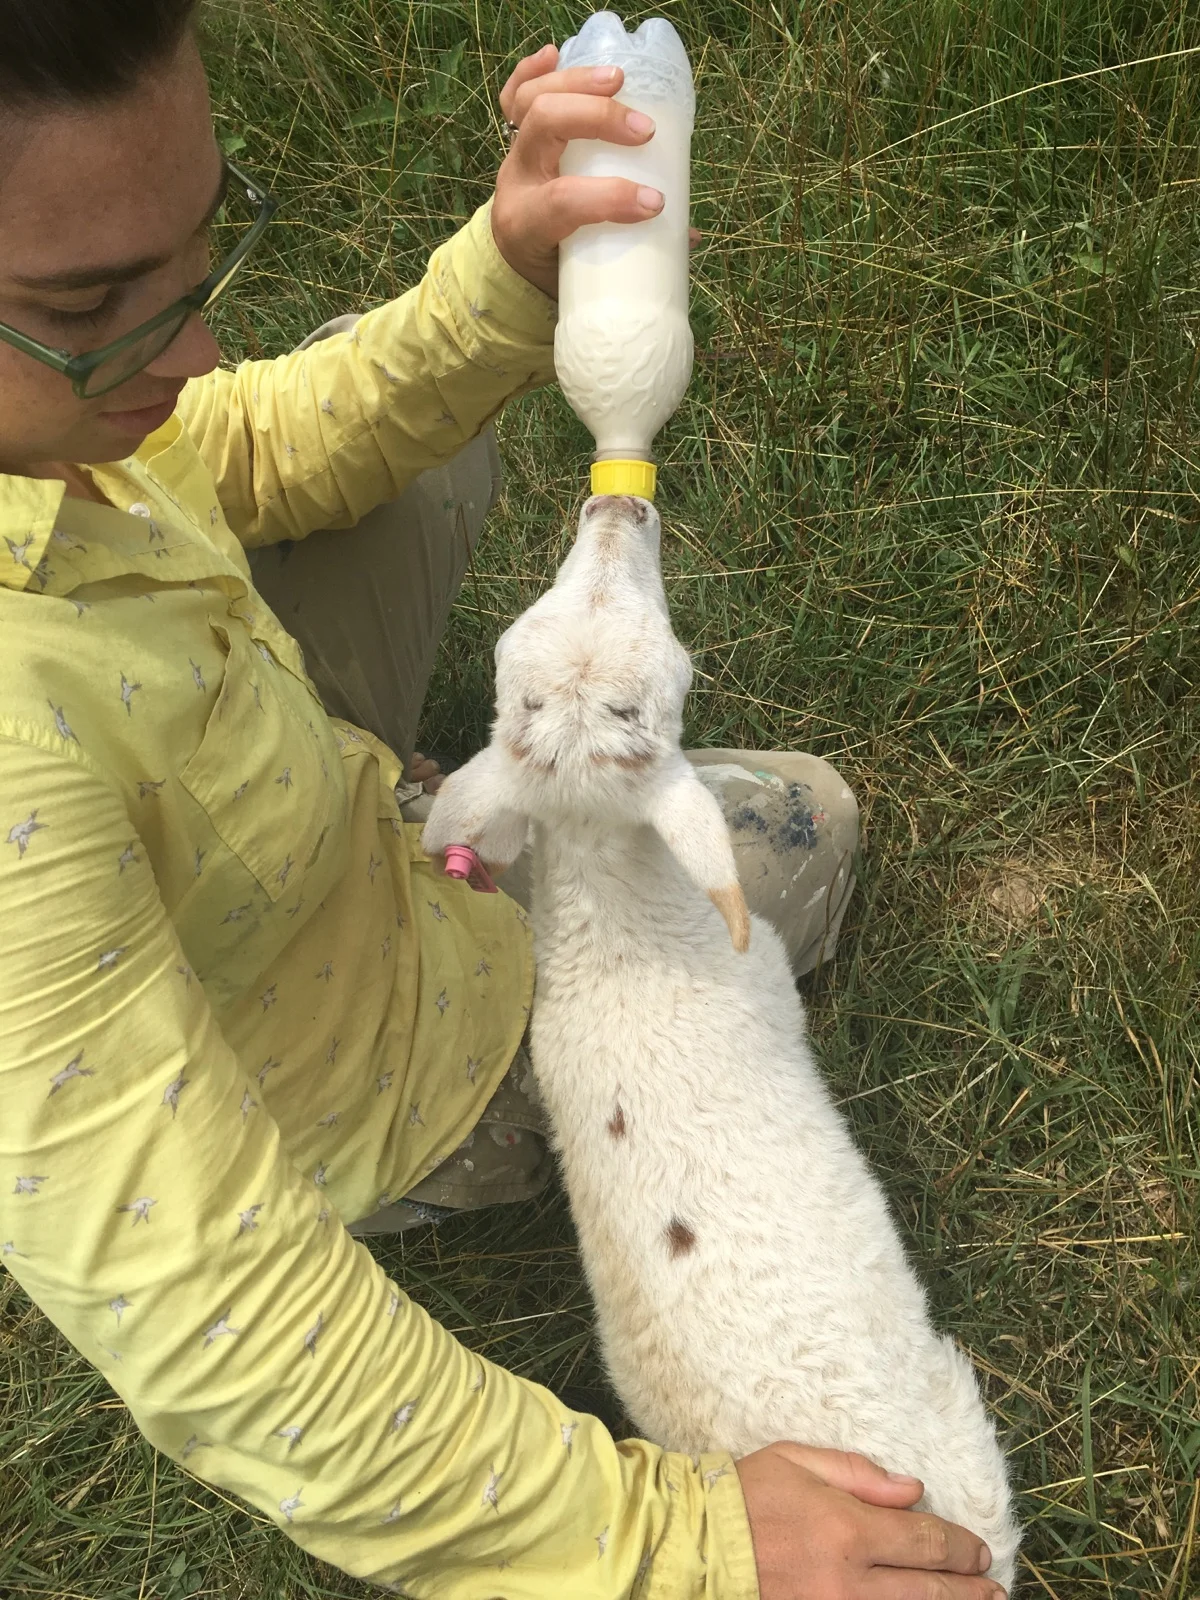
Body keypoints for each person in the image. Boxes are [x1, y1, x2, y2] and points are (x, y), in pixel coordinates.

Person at [0, 4, 1006, 1597]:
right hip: (382, 1063)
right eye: (88, 306)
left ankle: (362, 794)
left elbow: (226, 447)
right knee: (803, 832)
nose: (189, 352)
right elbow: (212, 1313)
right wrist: (677, 1540)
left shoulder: (71, 430)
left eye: (198, 252)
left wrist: (509, 276)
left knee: (399, 428)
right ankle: (454, 1127)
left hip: (257, 787)